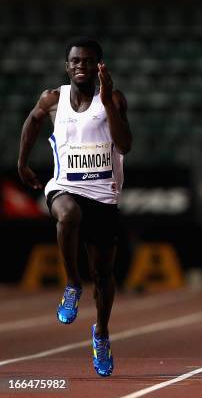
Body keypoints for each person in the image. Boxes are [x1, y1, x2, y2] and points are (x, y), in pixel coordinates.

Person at [17, 37, 131, 377]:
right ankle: (71, 283)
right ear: (67, 66)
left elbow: (125, 145)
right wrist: (22, 163)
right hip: (65, 186)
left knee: (104, 274)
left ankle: (102, 333)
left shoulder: (112, 99)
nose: (80, 66)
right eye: (75, 61)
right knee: (68, 215)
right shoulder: (52, 98)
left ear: (99, 66)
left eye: (87, 61)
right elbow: (33, 121)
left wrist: (109, 101)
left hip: (104, 195)